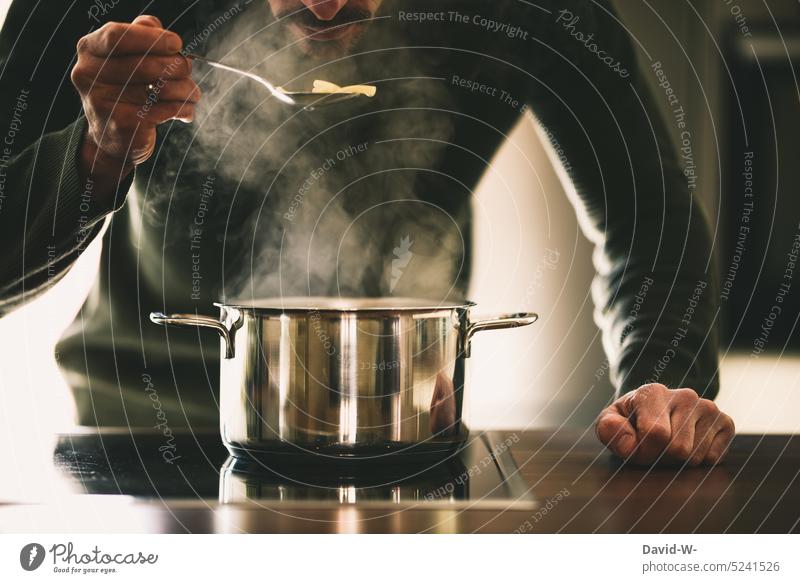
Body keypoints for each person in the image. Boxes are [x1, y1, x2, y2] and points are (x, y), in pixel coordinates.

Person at [0, 0, 734, 466]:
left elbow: (650, 218)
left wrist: (663, 388)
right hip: (139, 438)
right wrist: (98, 151)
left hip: (411, 438)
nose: (325, 4)